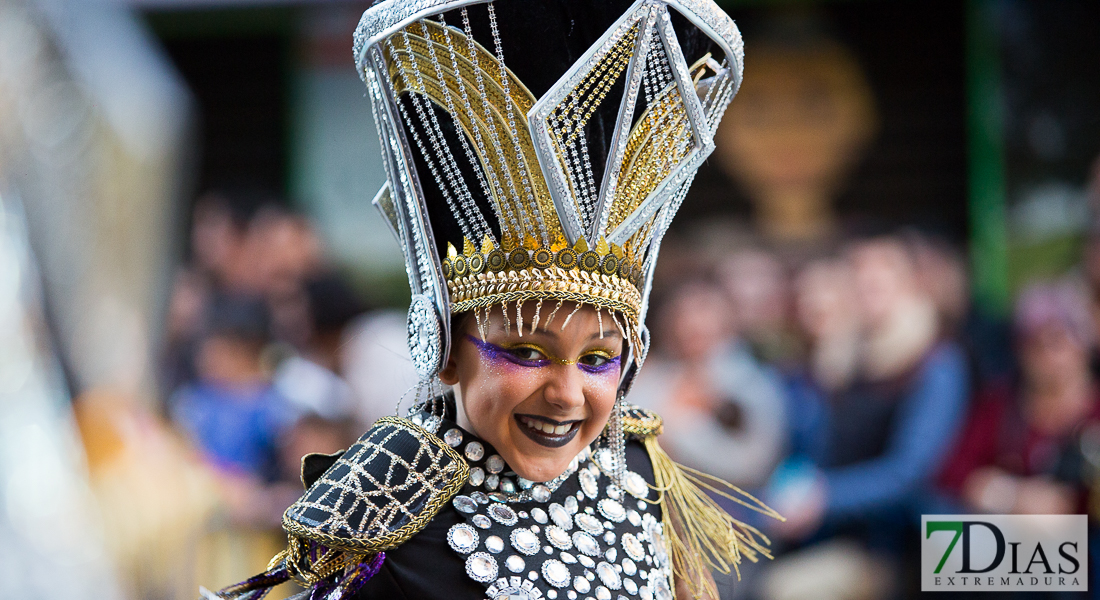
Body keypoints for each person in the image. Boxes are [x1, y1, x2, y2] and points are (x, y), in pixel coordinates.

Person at [204, 2, 777, 600]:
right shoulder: (386, 515)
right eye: (528, 352)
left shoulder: (637, 472)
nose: (566, 393)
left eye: (598, 359)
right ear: (447, 348)